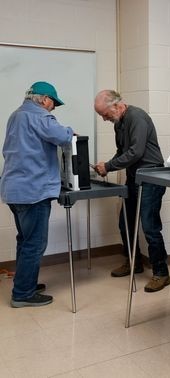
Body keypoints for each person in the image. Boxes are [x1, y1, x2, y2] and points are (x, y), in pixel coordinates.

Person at [0, 81, 74, 307]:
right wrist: (70, 131)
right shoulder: (41, 116)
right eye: (53, 103)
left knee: (25, 241)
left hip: (14, 190)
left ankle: (26, 283)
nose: (53, 108)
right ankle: (23, 294)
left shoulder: (16, 115)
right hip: (33, 192)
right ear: (44, 99)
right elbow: (63, 137)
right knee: (35, 244)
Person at [93, 90, 170, 292]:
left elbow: (136, 152)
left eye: (105, 114)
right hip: (134, 177)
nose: (104, 119)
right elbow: (122, 152)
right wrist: (106, 165)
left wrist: (109, 166)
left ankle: (162, 273)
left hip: (151, 177)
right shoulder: (119, 122)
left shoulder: (137, 117)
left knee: (150, 226)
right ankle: (134, 263)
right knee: (125, 223)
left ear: (117, 106)